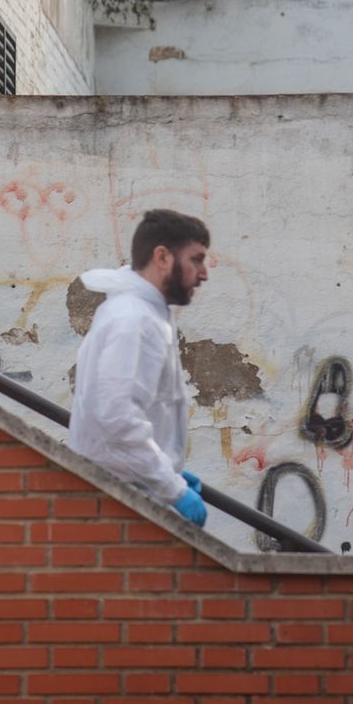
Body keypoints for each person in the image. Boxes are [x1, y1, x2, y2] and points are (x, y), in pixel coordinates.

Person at [70, 210, 212, 527]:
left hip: (121, 497)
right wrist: (172, 486)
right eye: (196, 259)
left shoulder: (133, 312)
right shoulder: (135, 320)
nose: (203, 274)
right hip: (120, 508)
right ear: (162, 257)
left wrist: (165, 469)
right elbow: (117, 417)